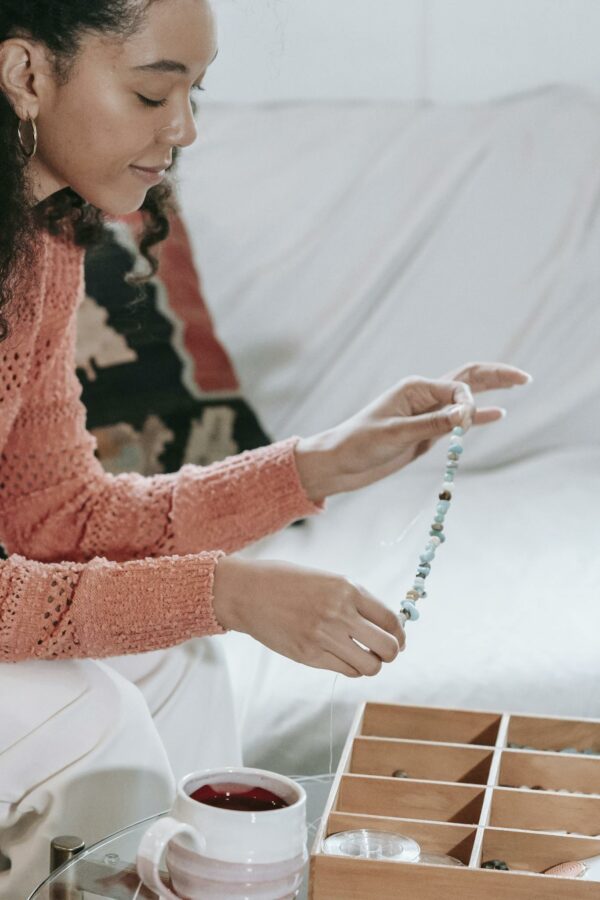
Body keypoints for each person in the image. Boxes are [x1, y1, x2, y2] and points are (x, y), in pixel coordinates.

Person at [0, 0, 530, 894]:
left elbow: (59, 516)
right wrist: (227, 589)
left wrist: (316, 464)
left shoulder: (41, 240)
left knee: (184, 664)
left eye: (195, 93)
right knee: (91, 722)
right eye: (151, 93)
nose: (187, 130)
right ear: (26, 76)